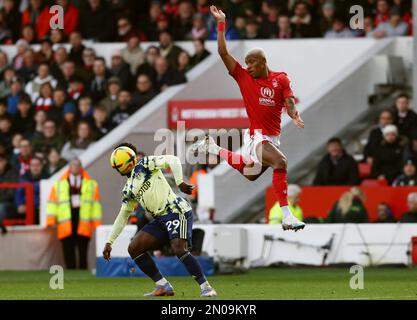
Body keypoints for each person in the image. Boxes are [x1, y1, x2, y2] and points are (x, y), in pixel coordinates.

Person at [192, 6, 305, 231]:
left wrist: (293, 113)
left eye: (252, 62)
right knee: (280, 162)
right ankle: (287, 216)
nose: (248, 66)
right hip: (257, 136)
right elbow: (223, 53)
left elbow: (289, 100)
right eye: (246, 62)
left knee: (250, 174)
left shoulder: (280, 78)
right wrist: (221, 24)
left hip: (273, 137)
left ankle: (215, 149)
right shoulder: (243, 77)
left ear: (263, 62)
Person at [102, 143, 217, 297]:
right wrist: (110, 241)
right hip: (159, 218)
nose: (116, 170)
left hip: (176, 210)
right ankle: (163, 286)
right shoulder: (128, 189)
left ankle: (206, 287)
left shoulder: (145, 164)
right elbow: (123, 215)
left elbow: (173, 160)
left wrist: (180, 182)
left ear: (121, 166)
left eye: (117, 167)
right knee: (134, 248)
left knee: (178, 248)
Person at [47, 158, 102, 269]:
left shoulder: (92, 184)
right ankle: (70, 270)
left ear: (81, 167)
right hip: (66, 220)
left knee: (83, 248)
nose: (75, 167)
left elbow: (96, 205)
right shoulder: (59, 184)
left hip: (83, 219)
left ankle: (83, 270)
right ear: (69, 167)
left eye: (77, 165)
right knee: (67, 248)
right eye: (73, 165)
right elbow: (52, 203)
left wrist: (97, 224)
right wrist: (50, 221)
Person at [15, 157, 47, 224]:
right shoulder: (24, 177)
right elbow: (19, 193)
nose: (35, 167)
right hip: (25, 206)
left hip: (41, 206)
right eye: (33, 165)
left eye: (37, 165)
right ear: (30, 167)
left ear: (41, 166)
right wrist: (20, 204)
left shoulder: (47, 177)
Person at [0, 154, 18, 234]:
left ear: (5, 162)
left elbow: (11, 193)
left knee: (1, 207)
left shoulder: (12, 174)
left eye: (0, 161)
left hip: (9, 203)